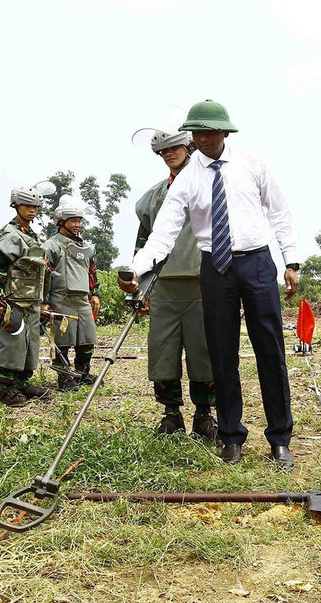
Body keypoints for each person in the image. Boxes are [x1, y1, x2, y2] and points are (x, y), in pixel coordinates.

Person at [119, 99, 300, 470]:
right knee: (221, 355)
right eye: (195, 133)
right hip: (214, 269)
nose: (201, 139)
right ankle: (232, 437)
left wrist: (291, 260)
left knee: (270, 351)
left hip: (257, 263)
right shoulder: (187, 179)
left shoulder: (253, 162)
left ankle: (280, 439)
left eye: (207, 132)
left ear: (224, 132)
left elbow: (279, 211)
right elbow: (162, 234)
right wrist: (137, 269)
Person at [132, 129, 216, 438]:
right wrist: (142, 287)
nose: (170, 154)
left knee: (204, 352)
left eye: (175, 148)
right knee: (162, 352)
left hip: (201, 282)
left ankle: (205, 415)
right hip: (164, 285)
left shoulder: (209, 184)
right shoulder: (152, 198)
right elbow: (143, 243)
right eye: (163, 151)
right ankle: (171, 414)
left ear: (188, 146)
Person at [0, 185, 52, 405]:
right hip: (14, 298)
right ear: (16, 205)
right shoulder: (10, 234)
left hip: (32, 298)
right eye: (27, 205)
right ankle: (6, 388)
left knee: (30, 341)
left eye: (36, 206)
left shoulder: (31, 234)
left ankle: (23, 382)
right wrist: (0, 296)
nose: (32, 210)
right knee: (12, 341)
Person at [44, 196, 100, 392]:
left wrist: (95, 293)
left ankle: (83, 374)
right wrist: (44, 302)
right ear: (61, 222)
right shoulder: (51, 246)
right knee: (63, 342)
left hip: (82, 300)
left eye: (79, 221)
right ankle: (66, 379)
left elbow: (92, 271)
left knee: (87, 341)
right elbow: (43, 275)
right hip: (61, 298)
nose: (77, 225)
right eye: (73, 221)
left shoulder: (86, 247)